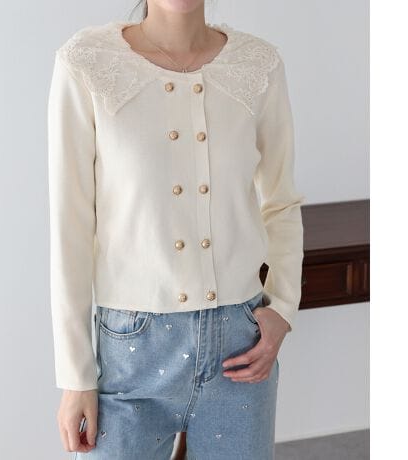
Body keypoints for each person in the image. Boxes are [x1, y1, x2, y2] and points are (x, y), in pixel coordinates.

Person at [47, 1, 305, 458]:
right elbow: (71, 226)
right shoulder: (87, 63)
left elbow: (280, 200)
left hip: (239, 345)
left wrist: (283, 307)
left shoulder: (258, 65)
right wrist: (75, 377)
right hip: (130, 355)